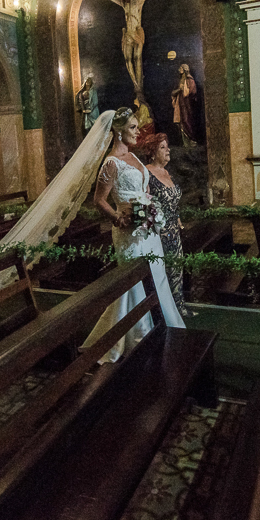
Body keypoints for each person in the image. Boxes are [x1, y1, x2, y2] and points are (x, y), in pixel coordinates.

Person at [83, 107, 185, 362]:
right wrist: (118, 217)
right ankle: (136, 335)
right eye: (132, 127)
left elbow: (145, 189)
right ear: (117, 130)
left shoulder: (136, 159)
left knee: (157, 276)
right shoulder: (111, 163)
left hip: (148, 229)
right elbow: (99, 200)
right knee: (135, 284)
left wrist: (150, 207)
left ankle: (164, 326)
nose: (137, 131)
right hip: (129, 233)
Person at [140, 134, 190, 317]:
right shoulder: (146, 173)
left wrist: (177, 218)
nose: (168, 150)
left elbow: (174, 200)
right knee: (162, 273)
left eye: (167, 146)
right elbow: (143, 202)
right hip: (158, 232)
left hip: (174, 231)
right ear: (152, 152)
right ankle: (163, 312)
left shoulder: (168, 172)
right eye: (163, 147)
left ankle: (179, 308)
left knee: (176, 269)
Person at [171, 63, 199, 146]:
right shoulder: (179, 81)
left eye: (181, 68)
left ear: (185, 69)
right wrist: (179, 90)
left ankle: (192, 139)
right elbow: (174, 92)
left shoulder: (190, 80)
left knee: (187, 120)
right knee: (180, 122)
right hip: (180, 103)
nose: (179, 69)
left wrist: (184, 90)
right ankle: (185, 142)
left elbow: (193, 92)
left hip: (187, 104)